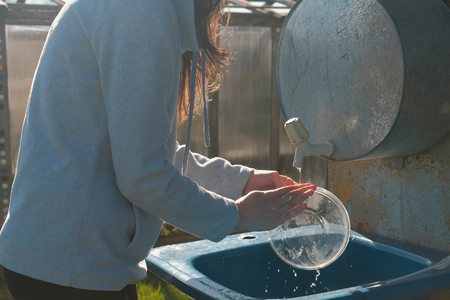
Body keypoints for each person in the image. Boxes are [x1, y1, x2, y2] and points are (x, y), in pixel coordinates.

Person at [0, 0, 316, 299]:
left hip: (65, 257)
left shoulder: (138, 11)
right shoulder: (141, 13)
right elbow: (143, 175)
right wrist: (237, 214)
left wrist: (241, 182)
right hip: (70, 265)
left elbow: (152, 155)